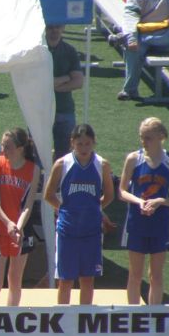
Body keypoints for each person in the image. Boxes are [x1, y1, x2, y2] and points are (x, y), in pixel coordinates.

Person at [44, 124, 114, 305]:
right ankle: (64, 320)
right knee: (66, 280)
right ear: (72, 143)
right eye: (80, 144)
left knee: (88, 279)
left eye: (87, 144)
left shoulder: (102, 164)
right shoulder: (62, 164)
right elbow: (48, 194)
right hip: (68, 231)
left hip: (91, 231)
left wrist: (95, 208)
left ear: (94, 143)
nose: (84, 148)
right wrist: (63, 210)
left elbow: (110, 194)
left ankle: (84, 321)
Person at [119, 118, 169, 305]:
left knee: (156, 275)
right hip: (136, 222)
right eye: (142, 138)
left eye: (148, 138)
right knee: (135, 274)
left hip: (160, 223)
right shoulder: (133, 159)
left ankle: (153, 314)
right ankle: (132, 315)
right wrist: (140, 202)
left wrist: (160, 201)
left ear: (161, 137)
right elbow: (122, 191)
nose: (144, 142)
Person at [0, 128, 40, 306]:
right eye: (2, 145)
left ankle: (10, 323)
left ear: (21, 148)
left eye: (8, 147)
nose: (3, 150)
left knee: (15, 281)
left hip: (20, 231)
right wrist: (8, 223)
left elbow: (28, 205)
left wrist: (18, 226)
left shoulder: (33, 169)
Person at [46, 24, 84, 160]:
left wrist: (53, 85)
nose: (54, 30)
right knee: (37, 153)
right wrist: (67, 77)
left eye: (58, 27)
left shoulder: (69, 50)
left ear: (63, 28)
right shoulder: (38, 50)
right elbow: (39, 81)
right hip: (41, 110)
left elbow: (79, 82)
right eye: (50, 27)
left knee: (64, 157)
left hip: (64, 110)